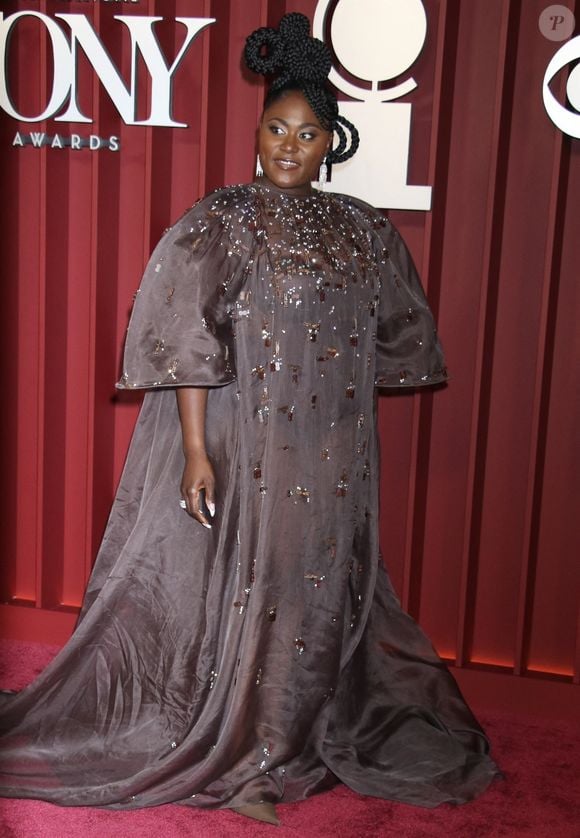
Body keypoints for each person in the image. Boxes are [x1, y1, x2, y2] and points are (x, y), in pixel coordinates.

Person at [0, 13, 501, 827]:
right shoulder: (221, 221)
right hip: (249, 448)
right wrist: (198, 452)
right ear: (258, 131)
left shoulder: (365, 230)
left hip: (333, 458)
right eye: (276, 128)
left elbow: (395, 342)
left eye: (307, 133)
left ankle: (296, 735)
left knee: (316, 599)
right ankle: (245, 759)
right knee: (255, 595)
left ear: (331, 140)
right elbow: (184, 343)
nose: (289, 146)